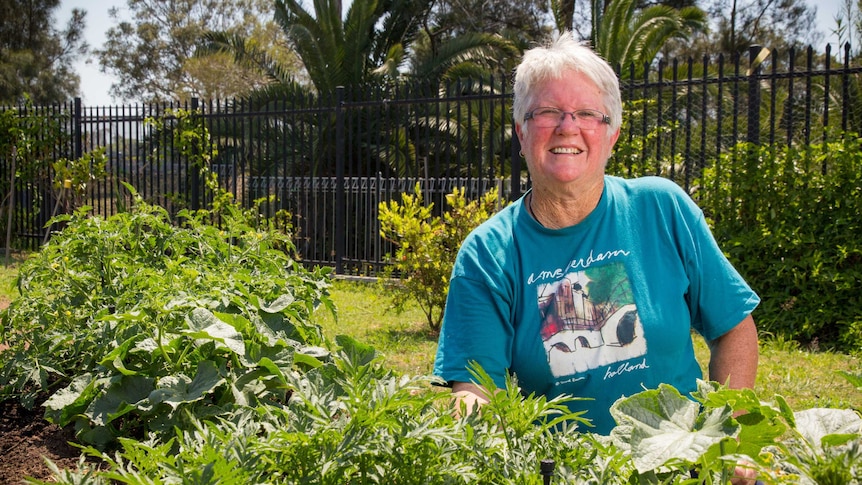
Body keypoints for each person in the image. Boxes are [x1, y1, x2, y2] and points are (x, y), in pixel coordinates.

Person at [432, 31, 760, 478]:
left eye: (588, 113)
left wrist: (728, 438)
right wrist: (462, 436)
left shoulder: (661, 208)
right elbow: (476, 389)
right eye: (548, 112)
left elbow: (734, 329)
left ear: (613, 134)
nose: (568, 126)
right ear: (521, 131)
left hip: (680, 468)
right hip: (567, 473)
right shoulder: (488, 254)